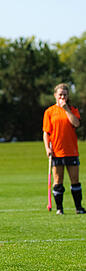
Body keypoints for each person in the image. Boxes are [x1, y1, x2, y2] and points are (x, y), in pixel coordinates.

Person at [43, 83, 85, 215]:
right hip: (56, 151)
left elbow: (76, 123)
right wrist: (47, 148)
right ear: (55, 95)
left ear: (68, 96)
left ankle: (78, 207)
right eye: (60, 94)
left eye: (65, 95)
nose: (62, 97)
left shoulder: (73, 109)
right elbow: (46, 132)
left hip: (71, 151)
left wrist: (66, 109)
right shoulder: (49, 112)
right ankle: (59, 208)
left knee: (75, 180)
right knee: (58, 180)